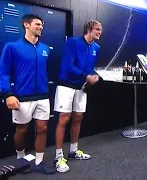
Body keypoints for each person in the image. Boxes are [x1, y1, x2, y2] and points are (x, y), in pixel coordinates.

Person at [0, 14, 55, 174]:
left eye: (42, 25)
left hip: (43, 96)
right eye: (37, 24)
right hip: (21, 97)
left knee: (43, 128)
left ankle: (39, 161)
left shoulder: (45, 49)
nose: (41, 27)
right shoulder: (12, 47)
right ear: (26, 25)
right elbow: (3, 73)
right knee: (22, 130)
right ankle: (20, 159)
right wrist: (7, 94)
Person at [54, 20, 102, 173]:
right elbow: (67, 65)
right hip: (66, 85)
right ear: (88, 29)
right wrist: (85, 76)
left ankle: (73, 150)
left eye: (101, 30)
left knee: (78, 117)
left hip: (81, 87)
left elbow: (90, 68)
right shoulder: (73, 42)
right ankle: (58, 156)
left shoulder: (96, 48)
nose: (100, 32)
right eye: (97, 29)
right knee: (64, 118)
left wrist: (93, 77)